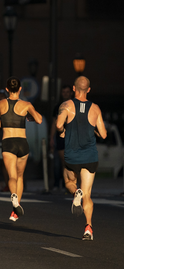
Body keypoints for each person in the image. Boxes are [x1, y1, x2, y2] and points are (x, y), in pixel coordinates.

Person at [55, 76, 107, 241]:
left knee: (69, 182)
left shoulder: (66, 105)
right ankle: (88, 227)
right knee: (88, 194)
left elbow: (58, 125)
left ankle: (75, 191)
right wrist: (94, 131)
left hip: (72, 156)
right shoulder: (96, 109)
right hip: (90, 156)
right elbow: (104, 134)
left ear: (74, 89)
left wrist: (63, 130)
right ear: (89, 90)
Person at [0, 77, 43, 222]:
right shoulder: (26, 105)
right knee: (20, 176)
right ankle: (16, 209)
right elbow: (39, 119)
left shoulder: (2, 103)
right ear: (20, 89)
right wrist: (29, 117)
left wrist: (7, 119)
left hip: (8, 142)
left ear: (7, 89)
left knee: (12, 176)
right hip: (22, 143)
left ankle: (13, 196)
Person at [50, 84, 74, 191]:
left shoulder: (75, 106)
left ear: (71, 93)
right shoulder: (58, 106)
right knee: (60, 162)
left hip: (72, 137)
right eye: (63, 92)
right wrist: (51, 137)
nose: (65, 94)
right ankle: (58, 184)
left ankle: (68, 184)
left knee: (70, 161)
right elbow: (54, 123)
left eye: (67, 92)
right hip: (60, 137)